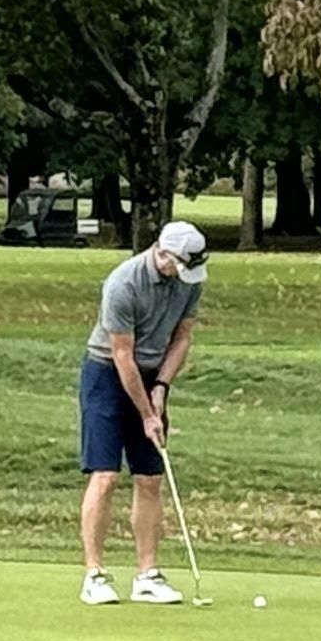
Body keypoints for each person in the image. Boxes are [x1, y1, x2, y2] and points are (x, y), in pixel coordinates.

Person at [79, 217, 209, 605]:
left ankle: (147, 575)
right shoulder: (123, 283)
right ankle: (95, 574)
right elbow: (122, 354)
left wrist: (162, 389)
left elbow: (182, 338)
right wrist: (146, 411)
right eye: (180, 266)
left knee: (150, 477)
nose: (185, 275)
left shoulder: (189, 281)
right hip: (106, 374)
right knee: (105, 475)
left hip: (151, 374)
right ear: (163, 252)